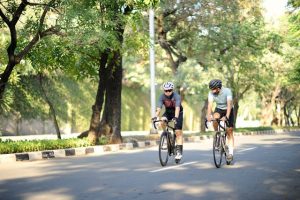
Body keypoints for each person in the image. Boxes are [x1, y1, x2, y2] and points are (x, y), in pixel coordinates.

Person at [152, 81, 184, 160]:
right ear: (164, 91)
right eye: (166, 90)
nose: (168, 92)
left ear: (172, 90)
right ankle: (166, 135)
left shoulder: (177, 96)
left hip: (178, 113)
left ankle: (179, 152)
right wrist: (155, 116)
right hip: (168, 112)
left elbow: (177, 108)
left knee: (177, 132)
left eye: (169, 90)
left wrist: (176, 117)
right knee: (162, 121)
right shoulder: (162, 97)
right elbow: (159, 108)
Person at [206, 79, 235, 161]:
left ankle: (230, 153)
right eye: (211, 89)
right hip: (219, 109)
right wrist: (208, 116)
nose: (212, 91)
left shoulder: (227, 91)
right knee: (214, 119)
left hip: (228, 109)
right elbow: (210, 105)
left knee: (229, 131)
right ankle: (217, 134)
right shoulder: (211, 93)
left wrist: (227, 117)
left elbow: (229, 105)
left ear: (219, 88)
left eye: (214, 89)